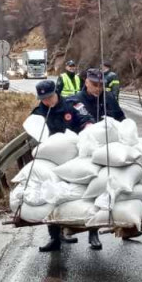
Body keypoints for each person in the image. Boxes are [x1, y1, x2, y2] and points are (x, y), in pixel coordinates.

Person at [30, 79, 95, 252]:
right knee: (52, 193)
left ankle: (93, 232)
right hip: (53, 160)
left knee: (87, 190)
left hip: (76, 155)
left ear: (56, 93)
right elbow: (33, 132)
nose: (46, 101)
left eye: (49, 97)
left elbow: (87, 118)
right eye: (43, 98)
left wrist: (87, 127)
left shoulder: (72, 105)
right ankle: (55, 237)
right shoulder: (38, 112)